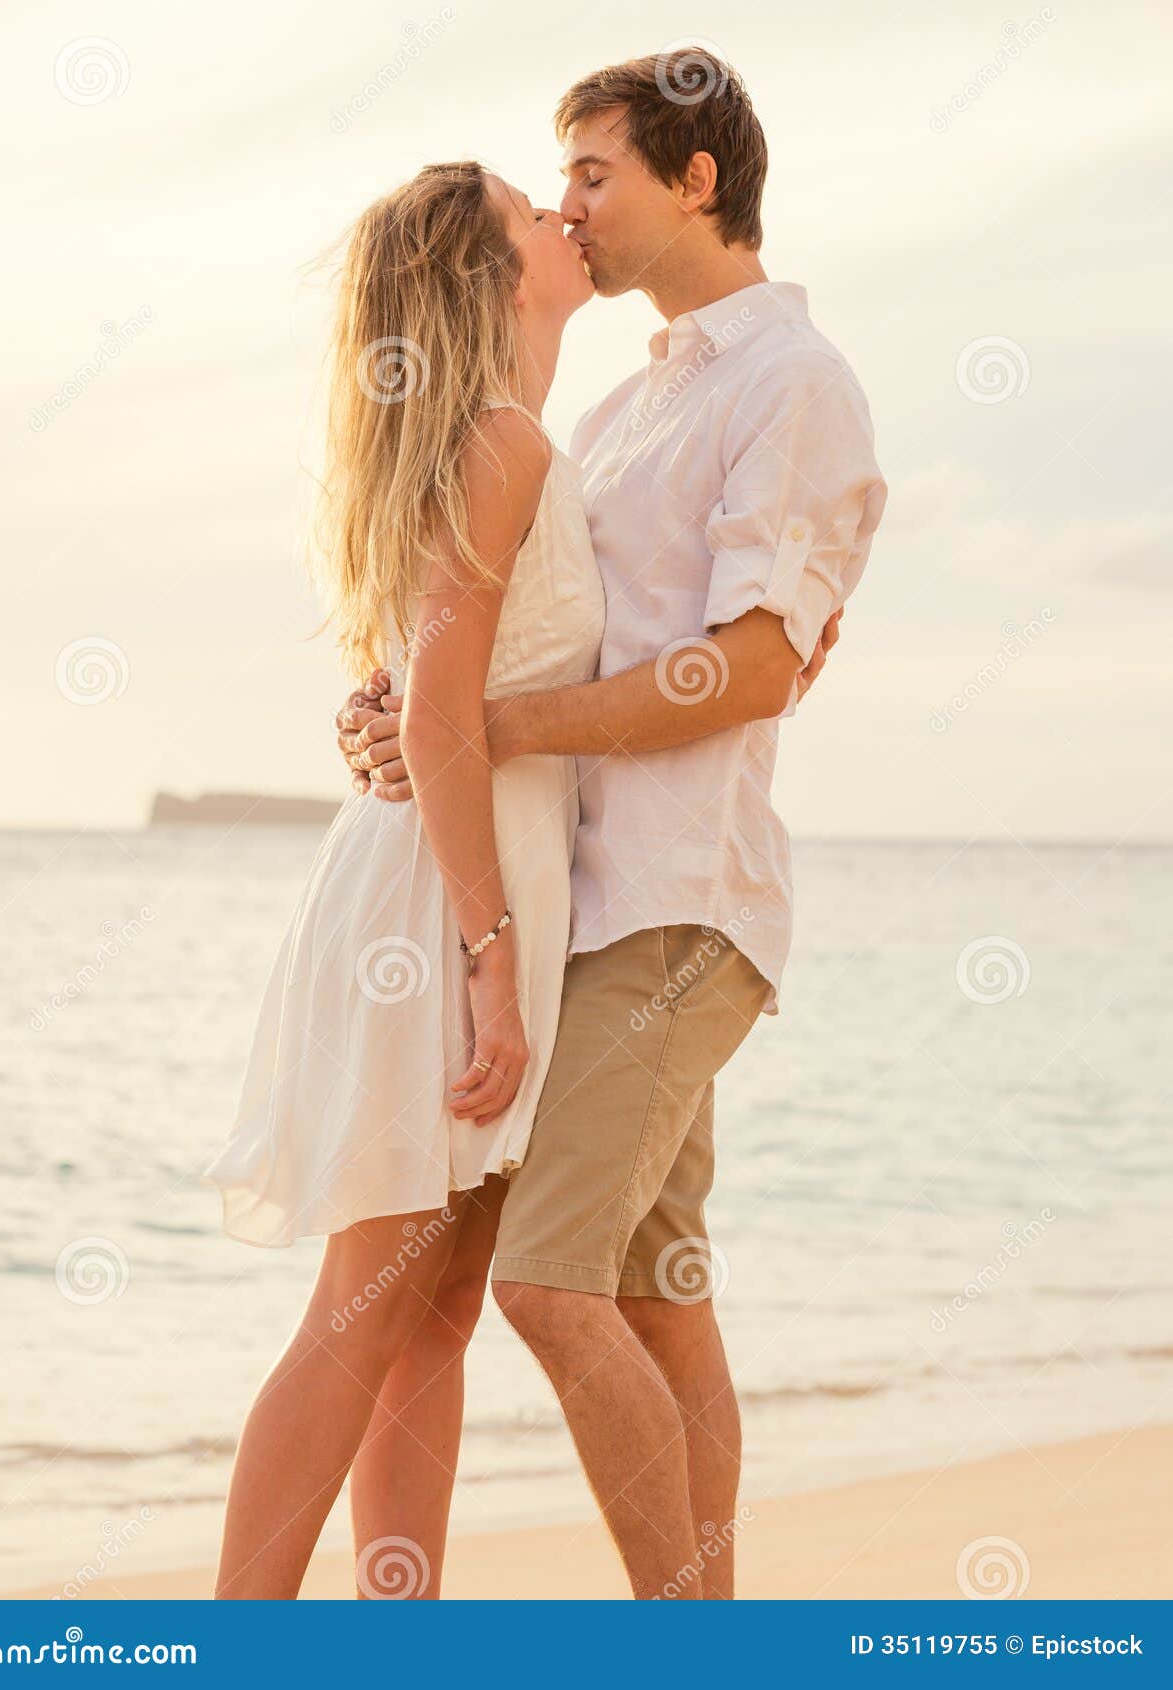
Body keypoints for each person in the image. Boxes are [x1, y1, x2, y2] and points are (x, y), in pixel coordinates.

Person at [336, 49, 887, 1599]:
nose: (568, 205)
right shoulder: (639, 397)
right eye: (559, 178)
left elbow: (757, 664)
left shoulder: (793, 382)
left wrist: (488, 730)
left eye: (593, 173)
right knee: (658, 1297)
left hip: (673, 904)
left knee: (546, 1283)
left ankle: (685, 1636)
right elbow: (529, 632)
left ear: (695, 180)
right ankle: (708, 1619)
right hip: (583, 899)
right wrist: (401, 710)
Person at [202, 157, 604, 1598]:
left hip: (463, 883)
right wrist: (494, 958)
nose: (562, 217)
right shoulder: (498, 441)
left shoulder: (497, 435)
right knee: (362, 1308)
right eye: (530, 211)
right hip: (442, 907)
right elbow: (432, 718)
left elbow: (415, 696)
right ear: (489, 274)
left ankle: (394, 1631)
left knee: (430, 1319)